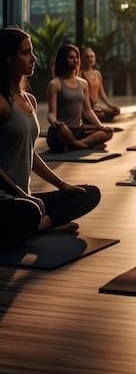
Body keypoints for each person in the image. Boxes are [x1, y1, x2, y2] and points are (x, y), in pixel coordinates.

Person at [0, 27, 101, 249]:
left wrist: (62, 184)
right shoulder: (2, 103)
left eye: (32, 52)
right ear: (7, 57)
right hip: (8, 201)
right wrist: (21, 195)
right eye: (26, 53)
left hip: (25, 199)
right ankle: (37, 225)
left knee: (89, 193)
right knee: (28, 210)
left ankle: (39, 226)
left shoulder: (29, 101)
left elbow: (30, 153)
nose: (34, 58)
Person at [46, 44, 113, 152]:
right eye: (71, 57)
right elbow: (51, 114)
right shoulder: (55, 84)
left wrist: (100, 127)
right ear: (63, 60)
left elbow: (88, 110)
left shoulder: (83, 84)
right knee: (62, 132)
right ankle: (85, 145)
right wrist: (56, 123)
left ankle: (74, 145)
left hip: (79, 131)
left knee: (108, 132)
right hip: (63, 131)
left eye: (76, 57)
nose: (75, 60)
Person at [80, 46, 120, 122]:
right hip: (86, 107)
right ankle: (95, 116)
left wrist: (110, 105)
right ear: (82, 59)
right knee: (100, 114)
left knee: (116, 110)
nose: (90, 59)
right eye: (87, 57)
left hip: (96, 106)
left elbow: (101, 93)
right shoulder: (80, 73)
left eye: (92, 57)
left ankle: (99, 115)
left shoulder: (97, 73)